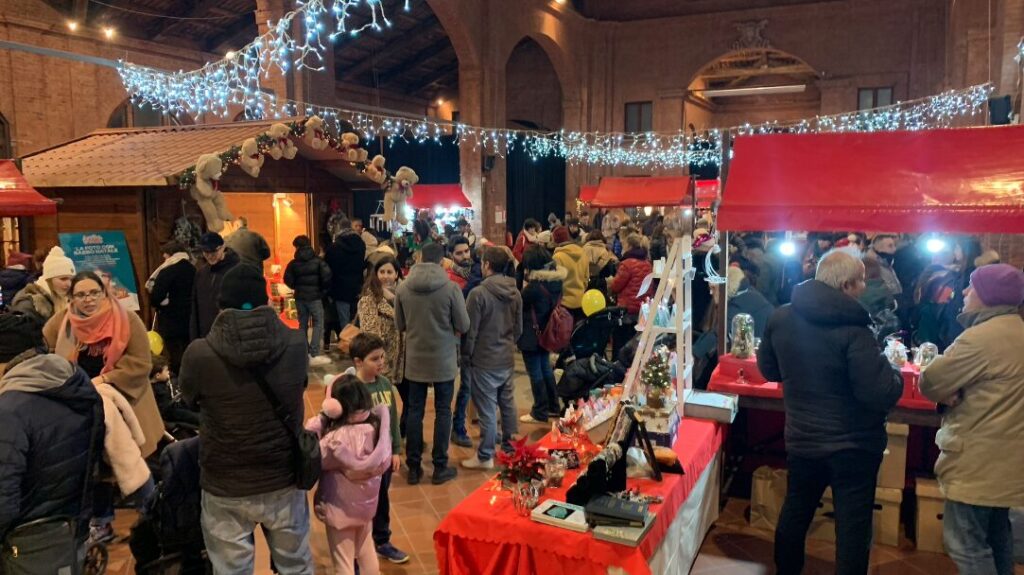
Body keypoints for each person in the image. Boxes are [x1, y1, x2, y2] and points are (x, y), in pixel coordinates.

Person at [757, 250, 903, 575]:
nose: (865, 287)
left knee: (796, 510)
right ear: (848, 285)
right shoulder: (855, 330)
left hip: (803, 438)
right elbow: (879, 392)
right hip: (853, 445)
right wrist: (893, 370)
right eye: (862, 280)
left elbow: (769, 370)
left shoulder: (781, 316)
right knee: (852, 527)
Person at [179, 264, 314, 573]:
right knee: (296, 566)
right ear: (266, 299)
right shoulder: (295, 344)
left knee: (231, 570)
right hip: (283, 475)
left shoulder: (199, 353)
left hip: (225, 480)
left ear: (220, 304)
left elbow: (189, 398)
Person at [919, 263, 1024, 575]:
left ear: (988, 296)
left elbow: (932, 382)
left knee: (965, 544)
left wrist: (952, 391)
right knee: (997, 537)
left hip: (978, 460)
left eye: (971, 288)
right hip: (1008, 460)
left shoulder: (978, 339)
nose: (963, 293)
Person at [43, 270, 164, 542]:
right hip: (81, 406)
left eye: (94, 293)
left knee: (130, 462)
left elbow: (140, 363)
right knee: (94, 468)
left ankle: (154, 513)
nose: (88, 300)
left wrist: (106, 379)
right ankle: (102, 522)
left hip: (126, 404)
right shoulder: (61, 324)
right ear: (71, 298)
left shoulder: (126, 319)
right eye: (81, 295)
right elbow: (48, 354)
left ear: (104, 292)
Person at [0, 347, 105, 567]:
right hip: (73, 529)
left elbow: (3, 498)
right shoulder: (79, 389)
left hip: (26, 544)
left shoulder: (9, 410)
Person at [394, 242, 469, 486]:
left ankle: (414, 468)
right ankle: (439, 466)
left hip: (415, 359)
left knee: (414, 410)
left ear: (419, 257)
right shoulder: (451, 288)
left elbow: (400, 325)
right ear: (442, 261)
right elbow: (464, 325)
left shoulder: (404, 288)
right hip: (444, 358)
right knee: (443, 411)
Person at [305, 375, 390, 575]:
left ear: (335, 406)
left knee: (343, 562)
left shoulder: (335, 440)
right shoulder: (377, 428)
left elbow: (311, 452)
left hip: (340, 511)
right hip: (366, 508)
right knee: (366, 551)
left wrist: (320, 421)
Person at [338, 334, 408, 565]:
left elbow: (393, 419)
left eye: (382, 357)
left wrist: (395, 449)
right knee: (359, 504)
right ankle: (358, 549)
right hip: (360, 460)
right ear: (358, 361)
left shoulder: (385, 384)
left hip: (383, 457)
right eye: (374, 359)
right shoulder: (351, 389)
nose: (381, 363)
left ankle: (382, 540)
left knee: (382, 499)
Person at [461, 247, 522, 469]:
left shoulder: (478, 294)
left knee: (486, 408)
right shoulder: (515, 292)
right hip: (506, 357)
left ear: (486, 265)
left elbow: (470, 331)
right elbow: (519, 329)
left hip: (484, 359)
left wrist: (466, 355)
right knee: (507, 404)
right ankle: (510, 449)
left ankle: (485, 455)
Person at [356, 256, 406, 433]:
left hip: (402, 360)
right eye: (382, 272)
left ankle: (401, 434)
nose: (385, 276)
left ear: (397, 274)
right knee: (380, 403)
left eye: (390, 272)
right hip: (380, 360)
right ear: (375, 274)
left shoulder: (404, 295)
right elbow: (369, 331)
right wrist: (380, 355)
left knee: (410, 401)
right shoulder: (369, 299)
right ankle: (380, 437)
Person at [517, 245, 566, 425]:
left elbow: (518, 302)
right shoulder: (556, 282)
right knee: (546, 368)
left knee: (535, 372)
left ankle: (539, 411)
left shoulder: (534, 288)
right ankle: (553, 406)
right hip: (547, 333)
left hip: (532, 335)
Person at [445, 235, 481, 448]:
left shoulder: (477, 272)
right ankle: (457, 427)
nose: (465, 256)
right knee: (464, 384)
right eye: (459, 253)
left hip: (477, 336)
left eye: (466, 251)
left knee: (477, 383)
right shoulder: (450, 278)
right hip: (459, 338)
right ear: (451, 255)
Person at [147, 241, 196, 372]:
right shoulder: (193, 269)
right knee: (188, 352)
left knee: (174, 355)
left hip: (170, 320)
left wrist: (163, 302)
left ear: (170, 255)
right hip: (190, 319)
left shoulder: (167, 270)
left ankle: (176, 383)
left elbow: (156, 297)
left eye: (165, 257)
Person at [285, 235, 333, 367]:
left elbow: (287, 279)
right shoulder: (318, 261)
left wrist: (296, 287)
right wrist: (322, 291)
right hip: (315, 297)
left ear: (297, 247)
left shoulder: (293, 264)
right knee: (318, 323)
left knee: (303, 324)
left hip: (300, 297)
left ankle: (304, 351)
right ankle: (314, 352)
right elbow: (327, 276)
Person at [189, 232, 240, 340]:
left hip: (229, 336)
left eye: (213, 252)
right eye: (206, 252)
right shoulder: (201, 273)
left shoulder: (236, 270)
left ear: (223, 248)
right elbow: (195, 307)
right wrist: (194, 337)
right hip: (205, 335)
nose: (209, 256)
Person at [610, 233, 653, 356]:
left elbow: (615, 286)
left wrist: (610, 282)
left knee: (621, 345)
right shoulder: (647, 263)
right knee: (635, 347)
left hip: (626, 310)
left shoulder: (626, 264)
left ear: (628, 246)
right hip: (642, 310)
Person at [10, 246, 75, 325]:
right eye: (63, 279)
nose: (69, 284)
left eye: (71, 279)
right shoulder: (29, 304)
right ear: (49, 280)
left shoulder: (64, 300)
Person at [325, 218, 367, 330]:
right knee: (357, 318)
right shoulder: (361, 244)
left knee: (344, 320)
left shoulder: (334, 247)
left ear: (339, 228)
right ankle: (358, 344)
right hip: (357, 286)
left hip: (340, 287)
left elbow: (328, 268)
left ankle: (347, 344)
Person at [551, 225, 589, 322]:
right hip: (581, 302)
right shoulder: (583, 253)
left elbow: (555, 284)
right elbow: (586, 279)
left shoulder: (557, 257)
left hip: (564, 305)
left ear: (556, 241)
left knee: (564, 335)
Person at [725, 265, 774, 340]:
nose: (711, 292)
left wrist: (700, 350)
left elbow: (721, 330)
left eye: (713, 288)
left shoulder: (739, 302)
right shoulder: (750, 292)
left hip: (761, 344)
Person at [150, 353, 199, 427]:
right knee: (195, 417)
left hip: (178, 402)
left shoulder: (166, 379)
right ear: (158, 375)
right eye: (166, 370)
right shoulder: (158, 391)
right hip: (173, 411)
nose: (168, 372)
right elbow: (168, 409)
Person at [860, 257, 900, 341]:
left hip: (869, 335)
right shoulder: (885, 288)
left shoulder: (860, 292)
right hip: (891, 334)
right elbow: (892, 305)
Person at [583, 229, 617, 294]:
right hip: (600, 285)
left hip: (585, 284)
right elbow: (609, 271)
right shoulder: (605, 251)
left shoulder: (583, 249)